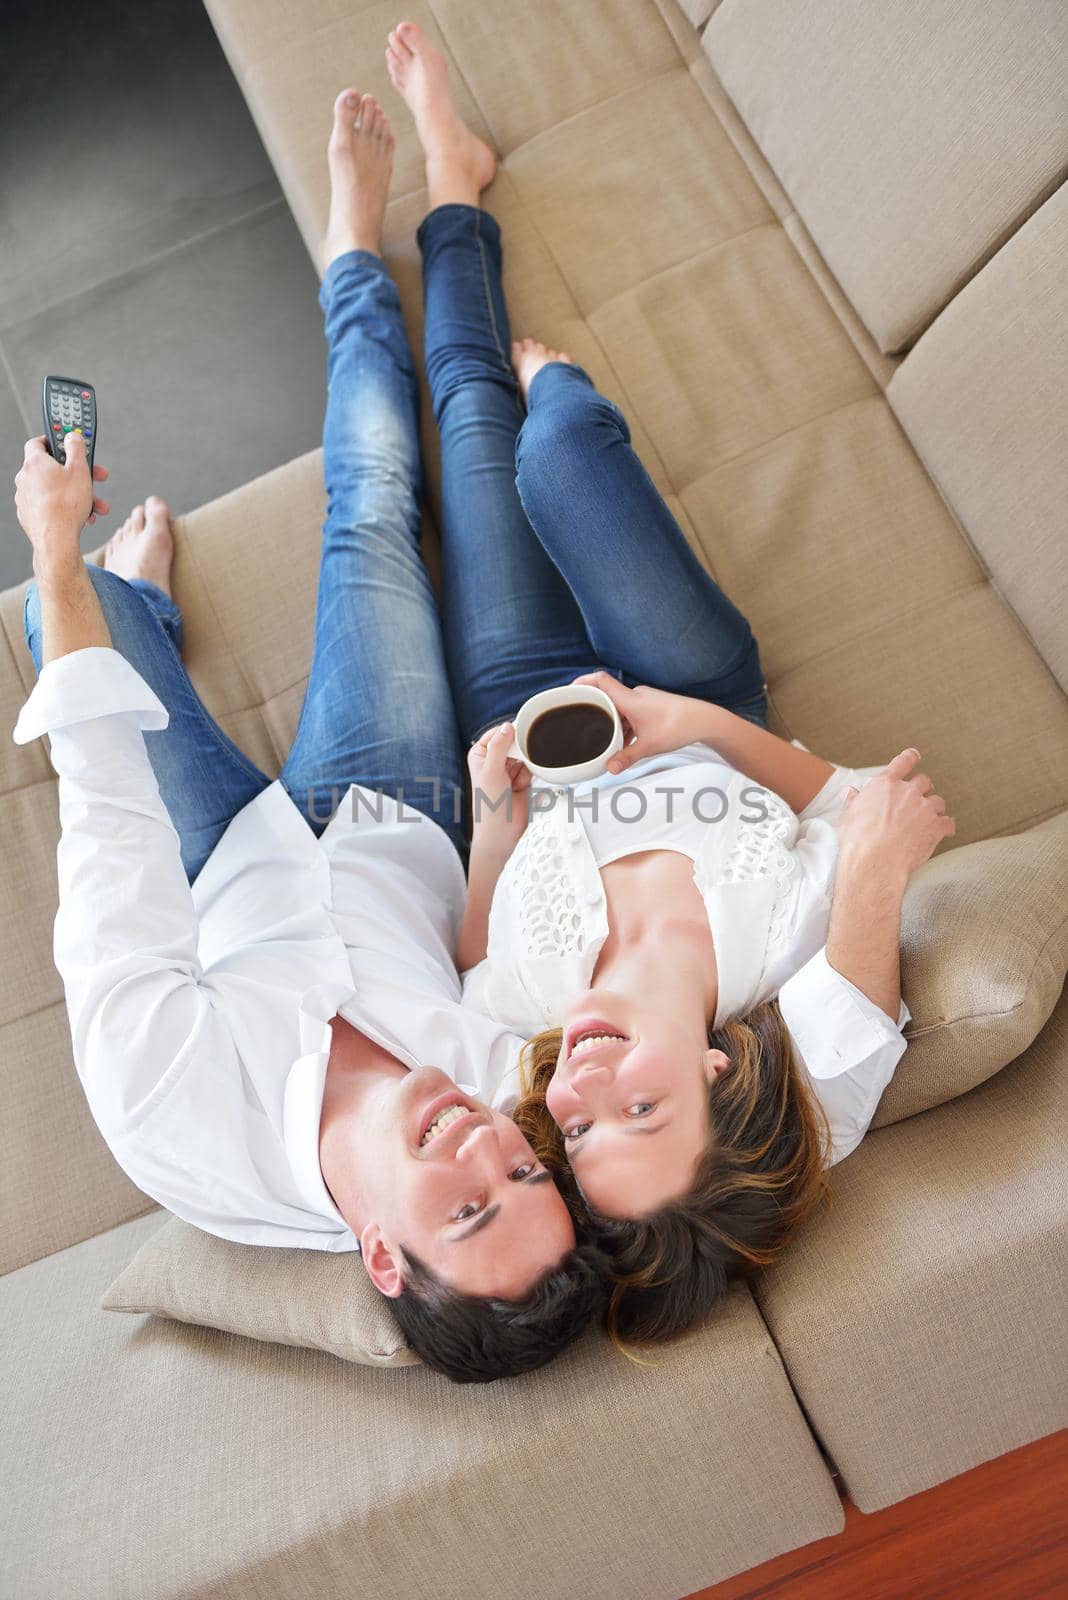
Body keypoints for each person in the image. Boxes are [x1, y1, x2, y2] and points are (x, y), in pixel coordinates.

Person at [11, 87, 606, 1384]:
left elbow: (107, 820)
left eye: (465, 1203)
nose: (482, 1142)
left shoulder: (177, 1125)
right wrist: (500, 820)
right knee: (375, 505)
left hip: (217, 864)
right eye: (520, 1169)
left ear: (379, 1258)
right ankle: (353, 241)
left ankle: (140, 615)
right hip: (393, 813)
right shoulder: (511, 1089)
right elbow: (483, 954)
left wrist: (55, 555)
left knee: (75, 619)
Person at [383, 22, 956, 1344]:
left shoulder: (528, 1015)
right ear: (718, 1072)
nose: (582, 1092)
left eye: (579, 1135)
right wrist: (689, 721)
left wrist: (498, 820)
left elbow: (473, 961)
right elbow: (863, 804)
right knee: (558, 450)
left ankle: (451, 180)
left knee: (468, 412)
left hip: (531, 723)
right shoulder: (785, 956)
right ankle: (568, 391)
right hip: (692, 693)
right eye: (642, 1107)